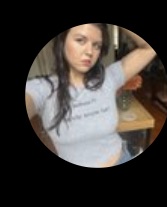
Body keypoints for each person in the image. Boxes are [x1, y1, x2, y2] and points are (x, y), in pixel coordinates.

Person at [26, 24, 156, 166]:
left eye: (97, 45)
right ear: (62, 41)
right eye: (81, 40)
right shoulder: (42, 88)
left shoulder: (109, 77)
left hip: (123, 158)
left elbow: (148, 48)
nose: (90, 51)